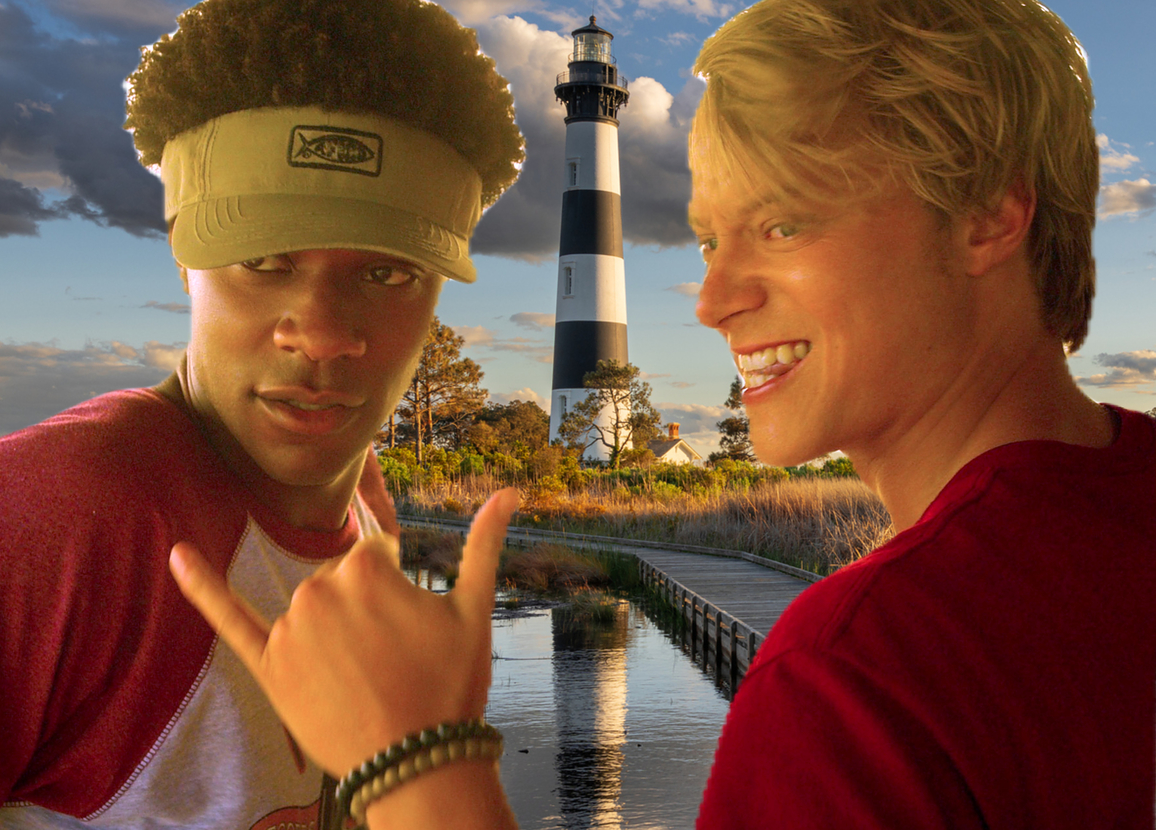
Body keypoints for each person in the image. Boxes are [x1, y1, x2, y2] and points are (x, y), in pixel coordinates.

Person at [168, 0, 1156, 827]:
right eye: (704, 239)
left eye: (781, 222)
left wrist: (419, 768)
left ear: (986, 213)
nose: (712, 297)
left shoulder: (856, 676)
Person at [0, 0, 522, 827]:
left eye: (387, 275)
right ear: (184, 261)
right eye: (264, 260)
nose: (323, 334)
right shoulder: (31, 530)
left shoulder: (367, 525)